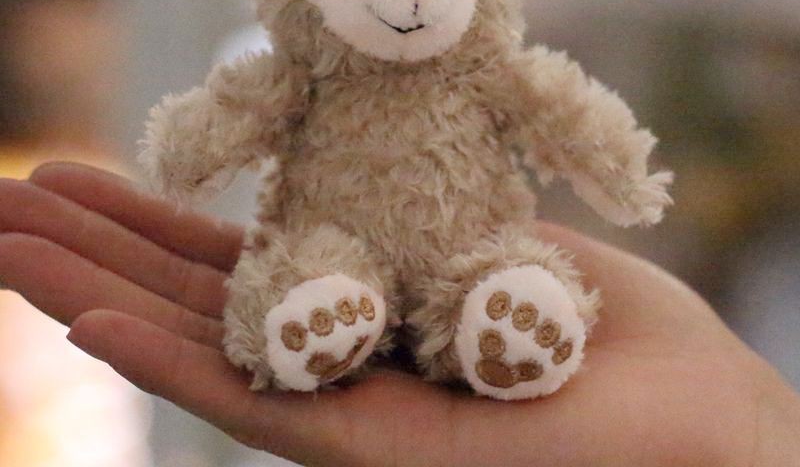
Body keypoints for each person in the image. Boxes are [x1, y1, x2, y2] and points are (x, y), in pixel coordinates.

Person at [0, 162, 798, 466]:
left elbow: (557, 104)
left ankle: (488, 320)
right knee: (313, 265)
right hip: (340, 235)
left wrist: (750, 433)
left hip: (450, 252)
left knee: (479, 276)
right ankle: (330, 312)